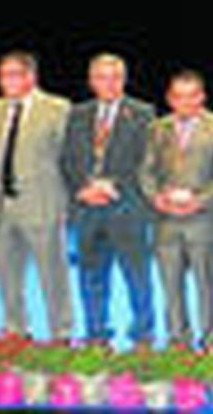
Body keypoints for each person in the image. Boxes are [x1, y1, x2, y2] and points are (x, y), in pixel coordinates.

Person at [60, 53, 157, 348]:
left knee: (137, 278)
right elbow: (66, 160)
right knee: (91, 278)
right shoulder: (76, 114)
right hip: (87, 209)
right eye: (101, 77)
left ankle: (142, 335)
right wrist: (82, 189)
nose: (109, 83)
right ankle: (97, 334)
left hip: (127, 209)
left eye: (115, 77)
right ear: (91, 81)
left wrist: (111, 186)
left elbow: (147, 162)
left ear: (124, 80)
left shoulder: (143, 114)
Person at [139, 70, 213, 351]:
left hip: (204, 221)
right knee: (170, 287)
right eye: (179, 96)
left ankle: (210, 342)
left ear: (202, 97)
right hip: (166, 220)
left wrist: (200, 200)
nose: (186, 102)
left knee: (207, 286)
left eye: (192, 96)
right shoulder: (157, 129)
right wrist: (155, 197)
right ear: (170, 99)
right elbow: (146, 171)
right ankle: (177, 341)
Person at [0, 51, 75, 342]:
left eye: (14, 74)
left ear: (30, 76)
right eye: (2, 75)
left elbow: (69, 158)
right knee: (7, 276)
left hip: (42, 204)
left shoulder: (58, 108)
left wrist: (67, 200)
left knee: (53, 275)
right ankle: (16, 329)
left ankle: (61, 332)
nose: (6, 81)